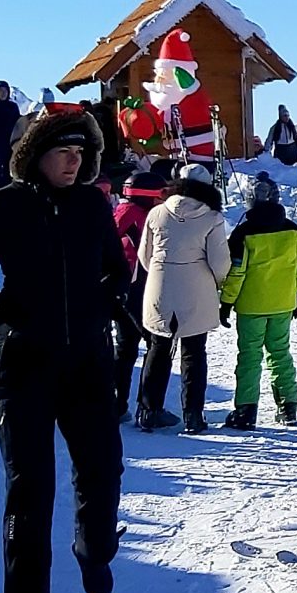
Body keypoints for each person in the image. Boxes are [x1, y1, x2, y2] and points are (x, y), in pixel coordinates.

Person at [0, 109, 129, 593]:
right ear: (36, 157)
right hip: (21, 366)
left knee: (102, 466)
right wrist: (5, 313)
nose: (75, 163)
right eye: (63, 153)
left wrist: (106, 301)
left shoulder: (93, 204)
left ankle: (93, 551)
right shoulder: (1, 206)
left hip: (88, 362)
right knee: (30, 485)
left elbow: (118, 269)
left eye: (81, 154)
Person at [136, 163, 230, 434]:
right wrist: (216, 282)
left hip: (160, 284)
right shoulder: (212, 217)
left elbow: (145, 256)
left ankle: (148, 410)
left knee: (157, 348)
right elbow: (219, 262)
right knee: (194, 352)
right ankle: (192, 415)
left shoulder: (157, 213)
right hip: (196, 287)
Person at [221, 178, 297, 430]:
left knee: (249, 356)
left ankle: (246, 411)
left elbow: (236, 272)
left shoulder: (243, 233)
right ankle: (288, 406)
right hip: (283, 303)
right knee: (280, 353)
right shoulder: (292, 229)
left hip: (251, 306)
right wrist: (296, 294)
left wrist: (226, 302)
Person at [110, 169, 167, 417]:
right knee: (155, 343)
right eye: (160, 195)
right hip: (135, 288)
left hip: (127, 287)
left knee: (126, 347)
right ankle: (147, 407)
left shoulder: (130, 211)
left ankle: (117, 404)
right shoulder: (135, 214)